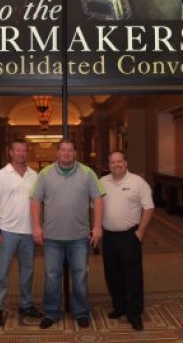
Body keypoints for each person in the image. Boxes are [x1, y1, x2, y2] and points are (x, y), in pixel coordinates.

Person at [30, 138, 105, 329]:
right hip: (52, 237)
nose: (66, 154)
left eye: (70, 150)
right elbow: (35, 201)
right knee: (52, 276)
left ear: (75, 153)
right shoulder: (45, 174)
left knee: (80, 276)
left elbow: (98, 200)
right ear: (57, 153)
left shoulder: (88, 173)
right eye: (63, 150)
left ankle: (81, 312)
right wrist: (37, 227)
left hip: (79, 237)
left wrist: (97, 226)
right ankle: (51, 312)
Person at [0, 139, 43, 327]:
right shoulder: (1, 175)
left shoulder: (34, 175)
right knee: (1, 272)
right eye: (17, 150)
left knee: (27, 271)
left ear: (27, 153)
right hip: (7, 232)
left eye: (24, 151)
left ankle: (25, 304)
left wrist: (38, 227)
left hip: (28, 232)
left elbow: (39, 203)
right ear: (11, 153)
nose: (21, 154)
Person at [100, 151, 154, 331]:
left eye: (119, 161)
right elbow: (96, 208)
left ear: (126, 163)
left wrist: (140, 232)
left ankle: (134, 313)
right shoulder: (101, 183)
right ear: (109, 165)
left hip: (130, 236)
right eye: (113, 162)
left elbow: (149, 208)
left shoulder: (138, 182)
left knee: (132, 275)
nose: (116, 164)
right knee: (112, 273)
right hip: (108, 237)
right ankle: (119, 306)